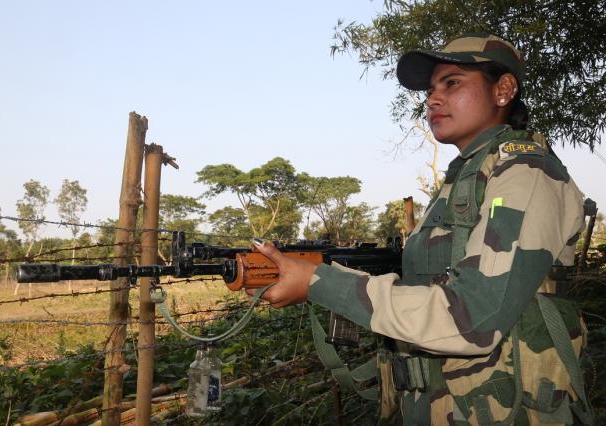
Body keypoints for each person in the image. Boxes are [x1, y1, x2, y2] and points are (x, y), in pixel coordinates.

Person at [248, 33, 592, 425]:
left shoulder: (526, 172)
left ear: (504, 90)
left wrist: (321, 282)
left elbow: (474, 317)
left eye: (452, 83)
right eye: (430, 90)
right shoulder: (465, 176)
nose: (433, 99)